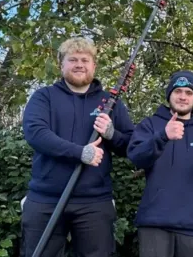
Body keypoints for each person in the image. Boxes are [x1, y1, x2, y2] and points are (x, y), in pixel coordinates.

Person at [21, 37, 134, 257]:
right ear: (61, 65)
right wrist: (79, 153)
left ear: (94, 65)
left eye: (85, 59)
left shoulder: (110, 103)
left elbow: (131, 146)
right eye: (72, 59)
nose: (79, 64)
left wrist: (112, 134)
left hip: (94, 202)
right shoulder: (44, 97)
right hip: (46, 199)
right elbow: (36, 134)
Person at [126, 70, 193, 257]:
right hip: (155, 224)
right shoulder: (150, 125)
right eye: (177, 91)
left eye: (189, 92)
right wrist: (163, 136)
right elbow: (136, 157)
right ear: (169, 94)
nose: (183, 97)